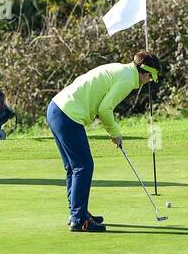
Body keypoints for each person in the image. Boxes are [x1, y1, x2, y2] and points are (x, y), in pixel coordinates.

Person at [46, 50, 163, 232]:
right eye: (150, 78)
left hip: (56, 108)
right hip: (68, 115)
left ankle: (78, 212)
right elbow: (105, 109)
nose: (148, 82)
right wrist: (115, 133)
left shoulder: (122, 70)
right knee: (83, 166)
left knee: (73, 167)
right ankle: (79, 220)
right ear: (147, 73)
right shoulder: (127, 79)